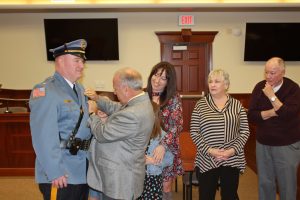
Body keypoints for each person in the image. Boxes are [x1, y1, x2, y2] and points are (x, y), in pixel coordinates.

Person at [29, 39, 91, 200]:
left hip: (81, 168)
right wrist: (54, 171)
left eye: (82, 61)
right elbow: (43, 136)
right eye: (76, 60)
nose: (81, 65)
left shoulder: (79, 88)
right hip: (61, 172)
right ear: (60, 61)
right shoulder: (45, 90)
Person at [85, 67, 155, 200]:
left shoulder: (133, 114)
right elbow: (116, 108)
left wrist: (92, 113)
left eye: (116, 89)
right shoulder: (139, 103)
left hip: (120, 182)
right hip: (124, 176)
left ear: (126, 89)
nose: (115, 93)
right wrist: (97, 98)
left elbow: (102, 134)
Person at [190, 69, 250, 200]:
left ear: (226, 85)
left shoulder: (237, 105)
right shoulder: (200, 105)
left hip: (231, 158)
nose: (212, 84)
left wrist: (232, 151)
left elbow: (245, 131)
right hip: (207, 158)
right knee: (206, 195)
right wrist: (210, 150)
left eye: (217, 81)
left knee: (230, 195)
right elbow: (194, 132)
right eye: (210, 81)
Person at [247, 57, 300, 200]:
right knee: (265, 182)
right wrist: (272, 112)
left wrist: (271, 96)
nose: (268, 76)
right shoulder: (259, 87)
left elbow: (288, 114)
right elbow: (251, 115)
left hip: (286, 144)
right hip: (263, 143)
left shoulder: (293, 88)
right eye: (266, 72)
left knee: (287, 185)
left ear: (283, 72)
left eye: (272, 73)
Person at [146, 61, 184, 200]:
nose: (157, 80)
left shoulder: (173, 98)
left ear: (169, 82)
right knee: (146, 185)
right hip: (146, 148)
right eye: (156, 75)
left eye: (163, 78)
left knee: (165, 187)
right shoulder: (143, 95)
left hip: (166, 149)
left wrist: (163, 145)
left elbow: (177, 125)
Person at [138, 102, 174, 200]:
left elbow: (170, 159)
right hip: (136, 177)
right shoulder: (135, 134)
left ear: (155, 117)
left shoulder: (162, 136)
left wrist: (154, 161)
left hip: (152, 178)